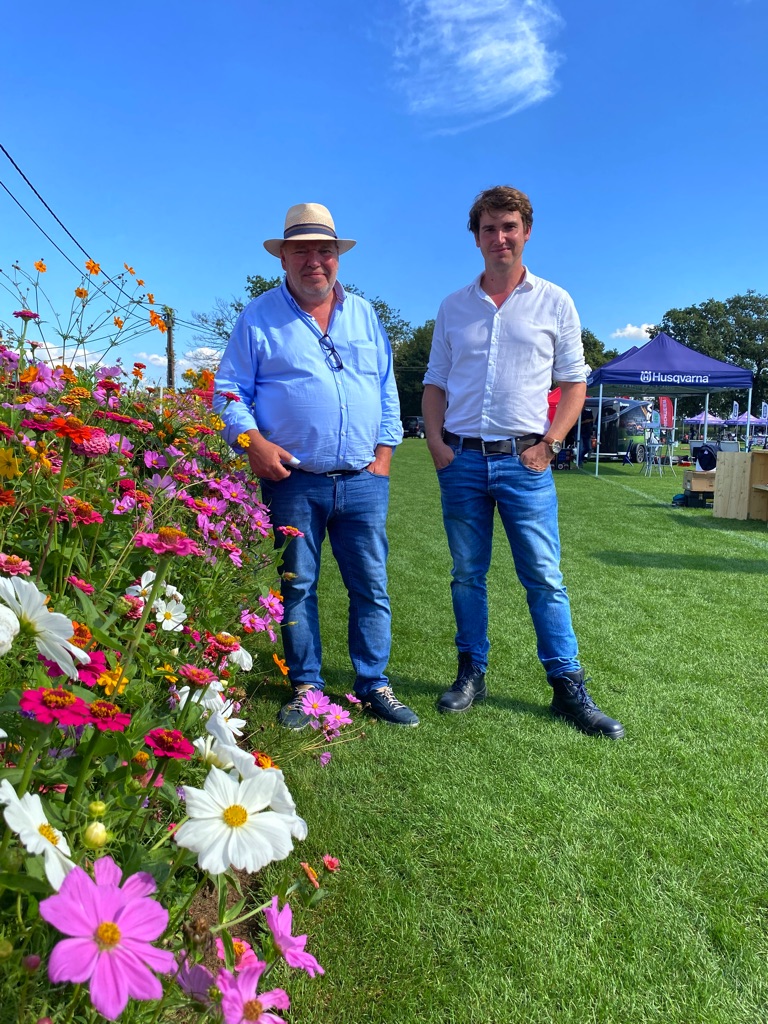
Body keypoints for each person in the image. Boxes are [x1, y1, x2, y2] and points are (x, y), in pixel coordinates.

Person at [422, 185, 624, 739]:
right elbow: (435, 382)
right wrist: (437, 444)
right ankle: (471, 673)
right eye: (489, 228)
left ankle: (567, 687)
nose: (499, 237)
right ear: (476, 237)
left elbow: (575, 382)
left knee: (543, 576)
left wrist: (552, 444)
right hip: (461, 459)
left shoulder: (555, 301)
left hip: (525, 461)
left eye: (509, 226)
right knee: (468, 574)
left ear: (526, 231)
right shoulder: (453, 306)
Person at [213, 203, 418, 730]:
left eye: (324, 250)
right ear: (283, 257)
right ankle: (306, 686)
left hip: (363, 480)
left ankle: (373, 684)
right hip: (293, 482)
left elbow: (385, 388)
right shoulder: (258, 316)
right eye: (301, 250)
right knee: (297, 585)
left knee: (370, 585)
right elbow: (229, 391)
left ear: (337, 258)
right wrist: (251, 440)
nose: (314, 261)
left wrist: (385, 456)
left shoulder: (366, 314)